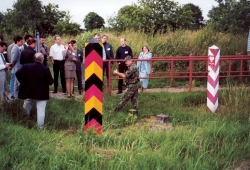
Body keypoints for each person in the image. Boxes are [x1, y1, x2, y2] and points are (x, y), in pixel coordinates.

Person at [15, 53, 54, 129]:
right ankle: (40, 128)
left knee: (26, 107)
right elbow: (50, 82)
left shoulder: (26, 66)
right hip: (41, 93)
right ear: (42, 60)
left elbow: (17, 73)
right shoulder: (45, 69)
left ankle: (24, 122)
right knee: (41, 110)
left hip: (29, 91)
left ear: (34, 59)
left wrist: (23, 82)